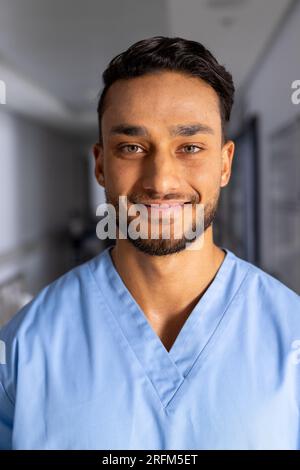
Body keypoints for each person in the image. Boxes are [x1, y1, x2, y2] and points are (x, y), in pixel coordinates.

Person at [0, 36, 299, 450]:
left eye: (190, 147)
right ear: (101, 165)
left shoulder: (292, 336)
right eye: (132, 147)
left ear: (225, 164)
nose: (160, 181)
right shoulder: (23, 348)